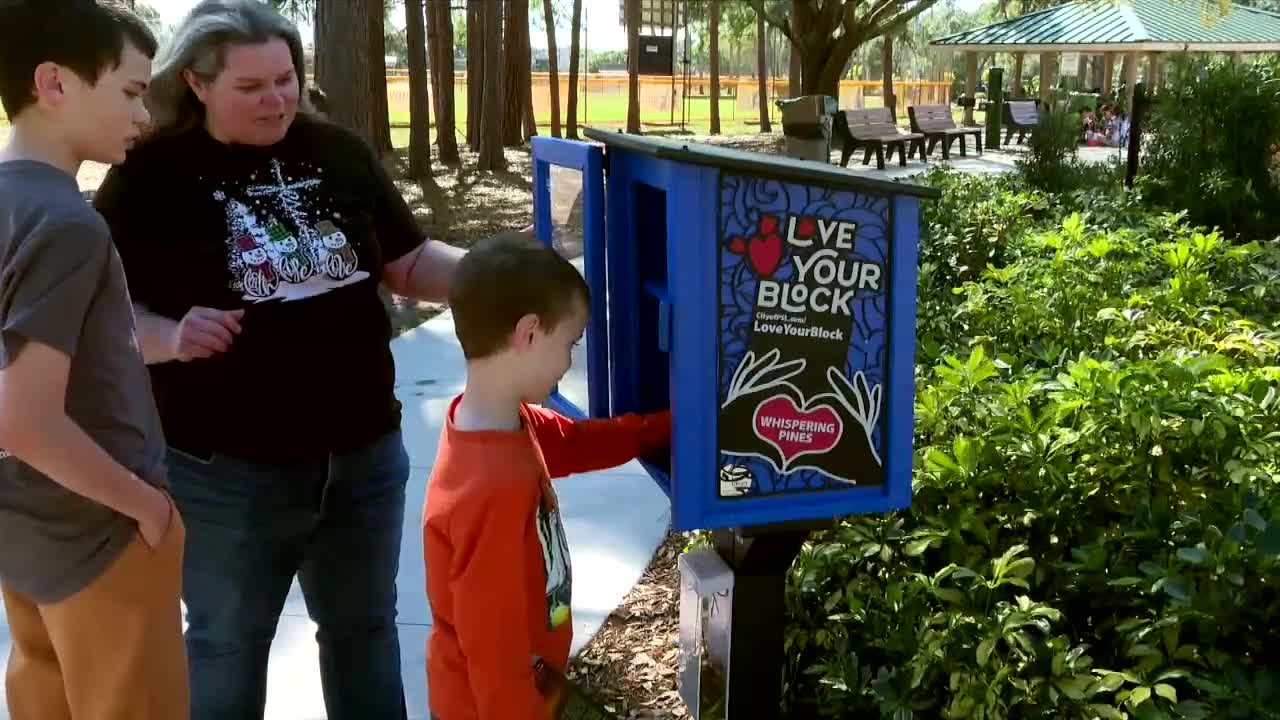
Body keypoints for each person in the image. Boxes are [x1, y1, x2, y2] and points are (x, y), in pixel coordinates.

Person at [91, 1, 468, 717]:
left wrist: (500, 275)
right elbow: (97, 316)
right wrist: (166, 337)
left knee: (363, 631)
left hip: (364, 456)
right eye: (252, 86)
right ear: (197, 84)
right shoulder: (149, 178)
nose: (278, 99)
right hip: (228, 475)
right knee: (226, 647)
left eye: (286, 78)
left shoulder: (337, 151)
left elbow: (409, 261)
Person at [0, 2, 189, 719]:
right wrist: (149, 511)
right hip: (103, 538)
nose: (144, 117)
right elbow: (23, 419)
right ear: (54, 83)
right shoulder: (68, 225)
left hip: (23, 537)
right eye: (132, 93)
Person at [423, 233, 672, 720]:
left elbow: (577, 443)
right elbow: (495, 658)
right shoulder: (488, 493)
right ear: (529, 333)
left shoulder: (501, 422)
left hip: (530, 683)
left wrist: (665, 427)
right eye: (570, 344)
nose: (569, 361)